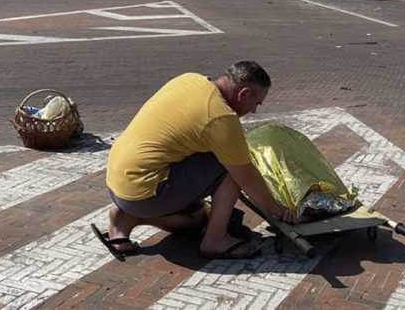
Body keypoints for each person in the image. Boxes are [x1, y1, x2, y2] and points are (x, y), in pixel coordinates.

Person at [103, 61, 295, 260]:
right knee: (231, 169)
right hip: (145, 193)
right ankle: (215, 240)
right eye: (256, 103)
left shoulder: (189, 79)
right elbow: (247, 178)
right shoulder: (221, 117)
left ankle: (124, 219)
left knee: (198, 217)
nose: (254, 111)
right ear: (243, 94)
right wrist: (279, 211)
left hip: (118, 183)